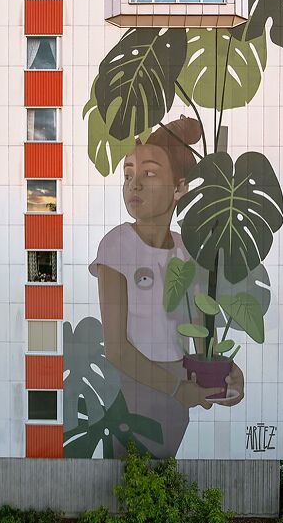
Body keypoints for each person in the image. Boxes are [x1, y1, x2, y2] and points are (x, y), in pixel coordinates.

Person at [89, 116, 244, 457]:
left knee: (163, 482)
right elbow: (115, 349)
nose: (134, 186)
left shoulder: (187, 250)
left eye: (149, 173)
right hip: (133, 392)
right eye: (128, 175)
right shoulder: (116, 245)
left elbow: (203, 335)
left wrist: (228, 375)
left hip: (177, 399)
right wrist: (176, 389)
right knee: (129, 486)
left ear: (179, 186)